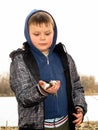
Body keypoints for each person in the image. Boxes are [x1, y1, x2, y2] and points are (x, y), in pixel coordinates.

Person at [9, 9, 87, 130]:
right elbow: (22, 96)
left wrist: (80, 107)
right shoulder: (20, 60)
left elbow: (77, 87)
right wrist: (41, 90)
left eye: (47, 33)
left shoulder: (65, 58)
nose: (42, 38)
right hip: (36, 126)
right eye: (36, 34)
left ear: (54, 33)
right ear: (27, 33)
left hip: (65, 123)